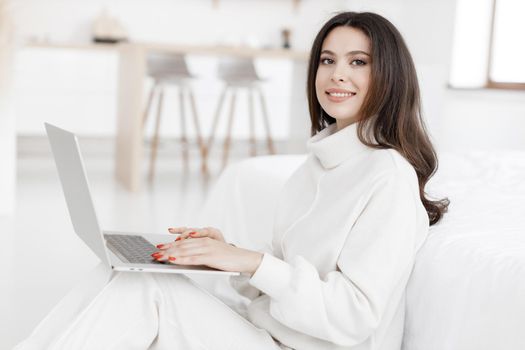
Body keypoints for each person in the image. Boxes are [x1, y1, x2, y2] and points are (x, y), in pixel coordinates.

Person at [15, 11, 449, 350]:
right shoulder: (313, 168)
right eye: (327, 60)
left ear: (390, 77)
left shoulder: (388, 177)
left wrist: (251, 263)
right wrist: (228, 254)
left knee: (147, 292)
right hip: (264, 333)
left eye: (359, 62)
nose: (337, 74)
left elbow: (354, 315)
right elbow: (282, 277)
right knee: (125, 270)